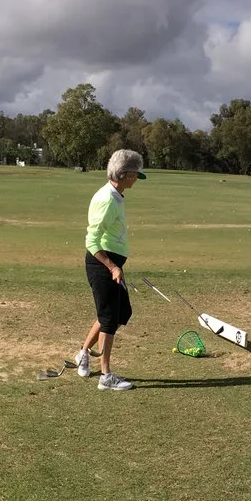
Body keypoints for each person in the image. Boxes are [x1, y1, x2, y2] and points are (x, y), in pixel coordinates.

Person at [75, 149, 144, 391]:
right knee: (109, 319)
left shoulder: (115, 195)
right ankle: (106, 376)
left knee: (119, 313)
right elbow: (91, 242)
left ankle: (83, 352)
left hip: (111, 263)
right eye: (135, 175)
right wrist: (112, 266)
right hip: (101, 264)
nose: (137, 179)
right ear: (124, 174)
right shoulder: (107, 200)